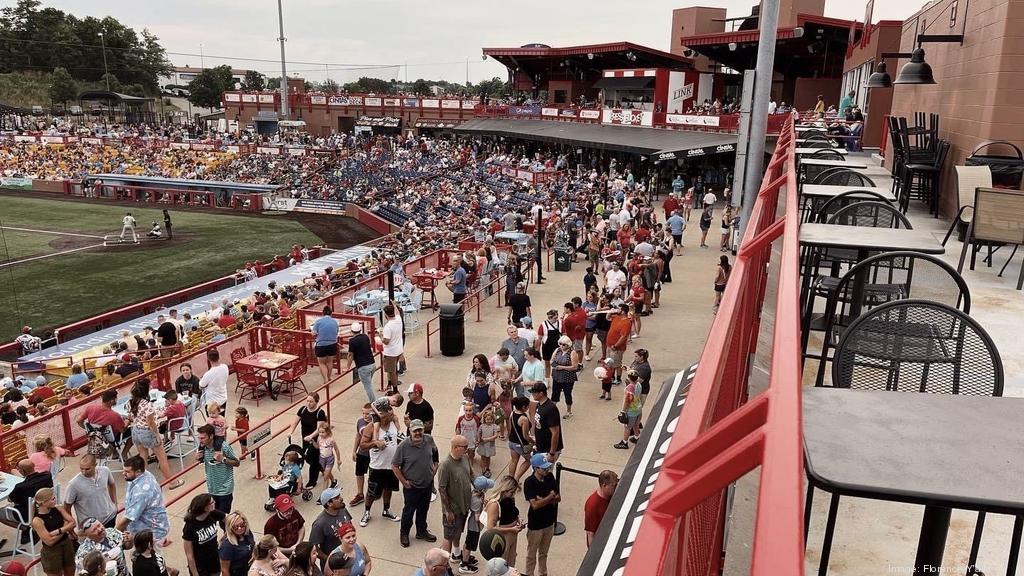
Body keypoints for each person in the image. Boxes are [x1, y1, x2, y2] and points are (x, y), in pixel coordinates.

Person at [127, 379, 183, 489]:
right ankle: (172, 482)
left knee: (143, 458)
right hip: (148, 432)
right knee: (162, 458)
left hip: (136, 431)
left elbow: (130, 417)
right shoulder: (147, 405)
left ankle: (142, 483)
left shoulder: (130, 402)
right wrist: (157, 434)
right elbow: (150, 422)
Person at [392, 419, 439, 547]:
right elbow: (395, 466)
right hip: (412, 487)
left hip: (427, 484)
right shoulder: (403, 446)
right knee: (409, 511)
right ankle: (404, 533)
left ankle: (421, 531)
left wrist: (435, 466)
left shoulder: (429, 439)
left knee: (424, 509)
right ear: (410, 431)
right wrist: (404, 482)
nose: (418, 433)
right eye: (415, 431)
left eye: (420, 430)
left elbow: (435, 452)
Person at [358, 398, 402, 527]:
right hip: (377, 465)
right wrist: (375, 442)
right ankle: (367, 511)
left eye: (389, 414)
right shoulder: (371, 427)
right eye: (384, 416)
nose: (387, 418)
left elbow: (399, 438)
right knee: (372, 492)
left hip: (392, 464)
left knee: (389, 488)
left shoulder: (394, 421)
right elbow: (362, 445)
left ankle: (386, 510)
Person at [438, 435, 476, 574]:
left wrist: (478, 484)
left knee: (458, 531)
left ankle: (456, 553)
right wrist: (448, 511)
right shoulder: (446, 465)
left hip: (464, 505)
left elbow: (471, 475)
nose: (467, 449)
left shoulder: (465, 458)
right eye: (464, 447)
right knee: (448, 536)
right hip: (452, 509)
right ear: (455, 448)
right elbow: (442, 489)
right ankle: (444, 567)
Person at [117, 456, 171, 547]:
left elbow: (128, 518)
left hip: (150, 534)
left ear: (138, 471)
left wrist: (113, 535)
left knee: (147, 558)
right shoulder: (144, 474)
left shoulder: (141, 492)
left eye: (127, 472)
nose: (123, 473)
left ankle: (160, 542)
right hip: (149, 527)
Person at [195, 424, 241, 513]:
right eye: (199, 438)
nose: (200, 441)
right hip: (211, 489)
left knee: (223, 519)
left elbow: (237, 463)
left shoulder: (224, 447)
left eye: (203, 438)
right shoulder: (202, 448)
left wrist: (223, 459)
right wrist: (197, 458)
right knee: (213, 518)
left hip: (225, 490)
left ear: (211, 436)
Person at [63, 454, 117, 528]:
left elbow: (112, 484)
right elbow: (67, 506)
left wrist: (114, 504)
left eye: (87, 469)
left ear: (95, 465)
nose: (84, 472)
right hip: (90, 526)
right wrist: (71, 528)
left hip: (110, 518)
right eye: (81, 468)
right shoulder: (73, 484)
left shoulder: (105, 470)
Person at [32, 487, 76, 576]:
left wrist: (58, 531)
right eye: (52, 499)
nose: (55, 500)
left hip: (67, 545)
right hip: (52, 552)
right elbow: (49, 542)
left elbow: (73, 523)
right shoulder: (37, 520)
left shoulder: (58, 509)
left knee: (71, 570)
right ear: (44, 503)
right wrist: (64, 528)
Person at [483, 475, 524, 567]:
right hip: (502, 537)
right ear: (505, 490)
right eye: (511, 492)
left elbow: (513, 512)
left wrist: (518, 519)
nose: (513, 495)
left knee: (511, 561)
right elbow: (491, 528)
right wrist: (511, 529)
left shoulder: (509, 499)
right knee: (502, 564)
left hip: (513, 533)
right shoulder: (494, 504)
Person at [309, 488, 352, 571]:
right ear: (329, 503)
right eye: (337, 498)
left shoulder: (343, 510)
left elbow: (351, 526)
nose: (341, 498)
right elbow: (314, 547)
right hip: (333, 567)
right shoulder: (319, 524)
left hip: (349, 555)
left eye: (339, 496)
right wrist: (329, 559)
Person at [2, 459, 52, 529]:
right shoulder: (47, 476)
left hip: (27, 514)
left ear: (21, 471)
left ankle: (26, 529)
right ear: (33, 466)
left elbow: (10, 499)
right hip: (45, 507)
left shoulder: (20, 487)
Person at [290, 393, 328, 490]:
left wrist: (311, 436)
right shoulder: (303, 410)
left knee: (313, 459)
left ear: (316, 402)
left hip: (315, 440)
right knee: (307, 458)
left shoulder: (320, 413)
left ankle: (312, 481)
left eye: (311, 401)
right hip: (305, 439)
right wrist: (291, 432)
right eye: (307, 401)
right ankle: (321, 467)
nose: (309, 403)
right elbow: (295, 421)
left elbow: (319, 428)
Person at [182, 494, 225, 576]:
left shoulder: (213, 513)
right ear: (204, 507)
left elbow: (230, 520)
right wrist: (195, 574)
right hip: (200, 566)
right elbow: (189, 555)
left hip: (214, 560)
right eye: (212, 502)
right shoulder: (190, 526)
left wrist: (223, 539)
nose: (214, 502)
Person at [584, 470, 620, 547]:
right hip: (601, 542)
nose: (616, 488)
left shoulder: (611, 496)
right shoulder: (592, 505)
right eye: (613, 486)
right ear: (604, 485)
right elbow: (590, 534)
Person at [529, 383, 563, 462]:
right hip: (540, 447)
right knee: (537, 471)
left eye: (534, 392)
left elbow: (555, 433)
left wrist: (551, 453)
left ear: (541, 393)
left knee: (544, 472)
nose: (532, 394)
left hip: (548, 449)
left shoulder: (550, 409)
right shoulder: (539, 405)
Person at [344, 322, 376, 402]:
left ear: (352, 331)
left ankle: (374, 403)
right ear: (360, 330)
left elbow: (350, 355)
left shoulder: (352, 341)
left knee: (368, 386)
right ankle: (374, 401)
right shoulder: (365, 337)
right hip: (372, 363)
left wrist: (348, 367)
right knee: (369, 384)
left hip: (363, 366)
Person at [549, 336, 580, 419]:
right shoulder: (557, 350)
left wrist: (562, 367)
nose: (561, 346)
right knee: (555, 394)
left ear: (568, 345)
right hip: (557, 376)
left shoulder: (572, 353)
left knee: (567, 394)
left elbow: (575, 367)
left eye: (564, 345)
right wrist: (554, 365)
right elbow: (551, 361)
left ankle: (569, 411)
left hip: (568, 378)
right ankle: (551, 411)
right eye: (560, 344)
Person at [350, 403, 372, 508]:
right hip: (362, 453)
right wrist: (354, 451)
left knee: (373, 476)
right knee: (359, 473)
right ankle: (360, 494)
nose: (365, 416)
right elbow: (358, 436)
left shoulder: (376, 423)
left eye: (367, 413)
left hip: (373, 454)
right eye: (363, 413)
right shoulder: (360, 422)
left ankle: (373, 493)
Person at [311, 307, 339, 388]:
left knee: (321, 363)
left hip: (321, 344)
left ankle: (325, 380)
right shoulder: (334, 322)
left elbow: (313, 333)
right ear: (331, 313)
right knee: (330, 362)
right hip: (332, 344)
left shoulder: (318, 321)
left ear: (322, 313)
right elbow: (337, 332)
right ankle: (329, 377)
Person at [378, 304, 403, 395]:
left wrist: (380, 336)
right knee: (391, 370)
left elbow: (386, 341)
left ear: (385, 315)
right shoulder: (399, 320)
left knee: (391, 371)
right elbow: (398, 312)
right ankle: (390, 383)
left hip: (390, 352)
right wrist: (394, 304)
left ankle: (395, 389)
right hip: (398, 350)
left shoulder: (388, 327)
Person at [615, 371, 643, 450]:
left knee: (627, 427)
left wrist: (623, 411)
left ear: (629, 378)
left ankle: (624, 442)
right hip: (639, 408)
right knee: (636, 424)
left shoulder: (629, 389)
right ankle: (636, 437)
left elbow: (628, 401)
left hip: (631, 411)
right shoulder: (638, 384)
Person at [198, 350, 229, 415]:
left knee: (211, 422)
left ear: (208, 359)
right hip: (223, 398)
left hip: (211, 402)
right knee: (221, 420)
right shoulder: (225, 367)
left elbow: (201, 385)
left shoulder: (208, 374)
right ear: (218, 357)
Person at [313, 422, 342, 490]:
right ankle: (334, 481)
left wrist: (338, 459)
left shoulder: (331, 440)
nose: (321, 434)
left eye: (323, 432)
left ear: (327, 432)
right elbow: (317, 447)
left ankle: (324, 493)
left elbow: (337, 450)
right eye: (319, 432)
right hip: (322, 458)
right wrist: (313, 442)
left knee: (325, 477)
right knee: (327, 473)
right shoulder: (319, 438)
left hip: (330, 459)